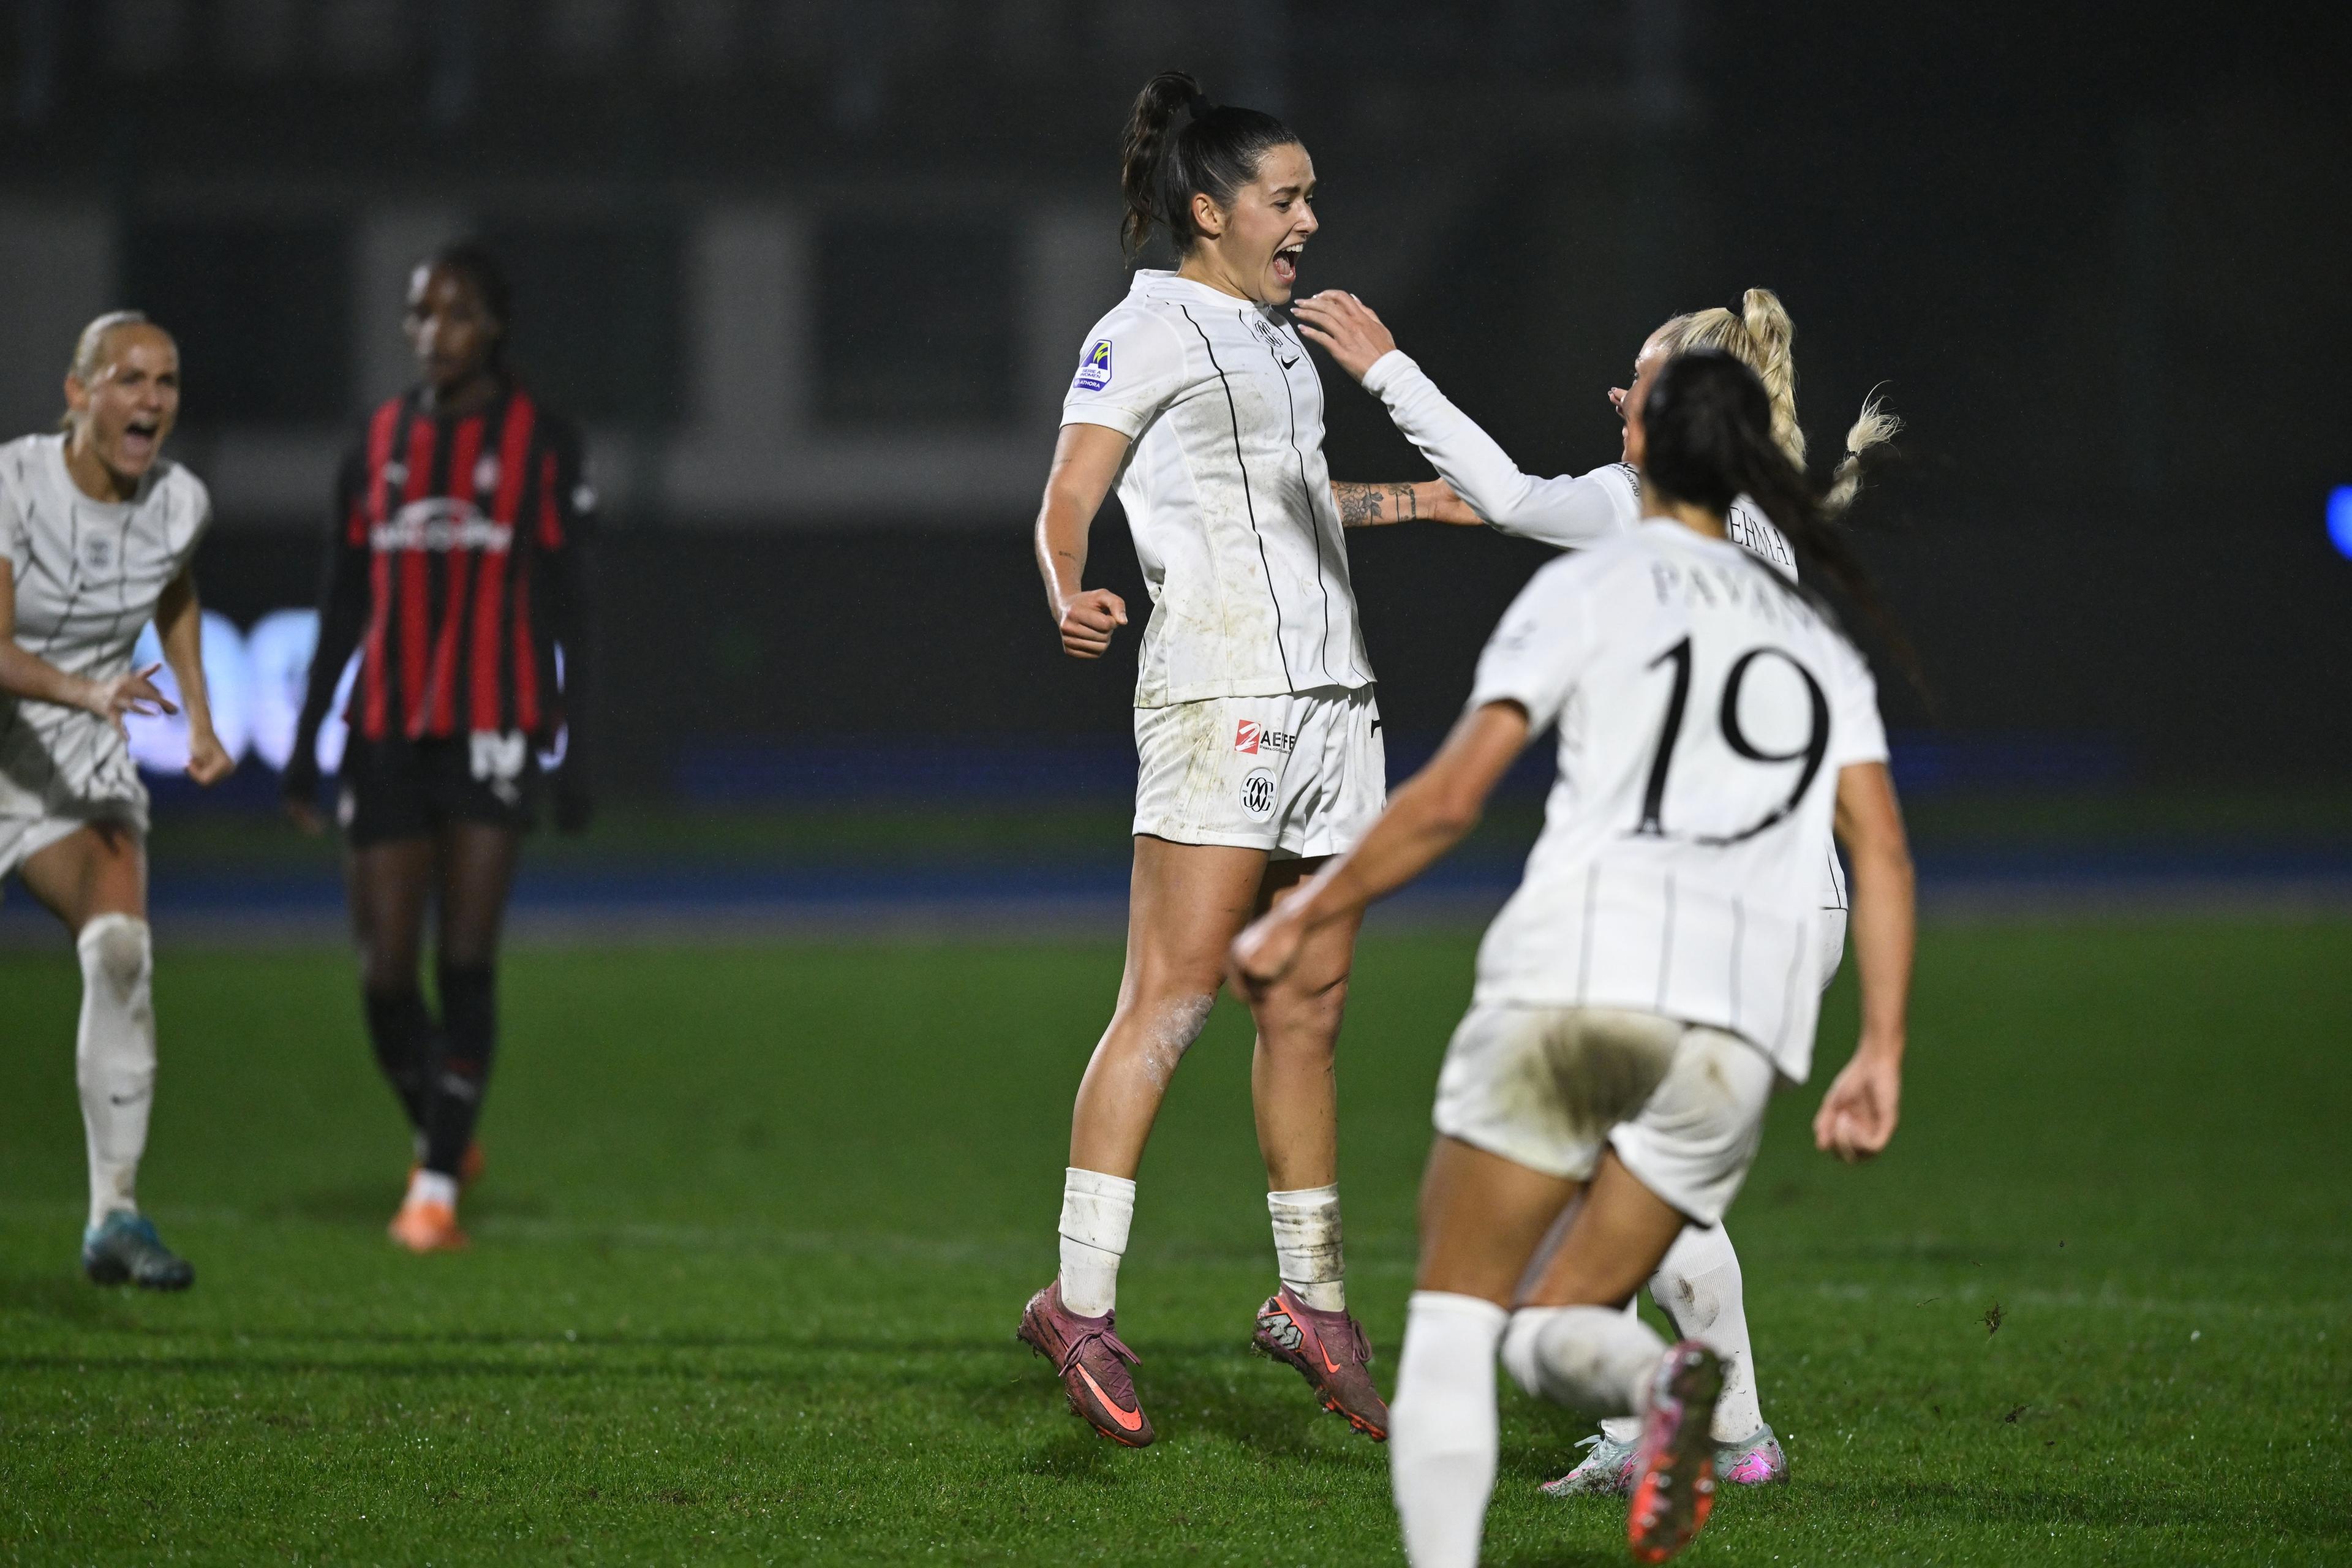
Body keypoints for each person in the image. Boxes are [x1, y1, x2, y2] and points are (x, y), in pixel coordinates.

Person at [1231, 349, 1917, 1564]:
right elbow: (1888, 852)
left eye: (1634, 393)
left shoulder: (1597, 585)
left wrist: (1308, 908)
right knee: (1635, 1220)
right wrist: (1881, 1047)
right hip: (1760, 979)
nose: (1613, 402)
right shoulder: (1803, 615)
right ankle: (1723, 1422)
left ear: (1655, 441)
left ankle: (1655, 1393)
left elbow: (1447, 800)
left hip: (1608, 965)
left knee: (1475, 1308)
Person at [1015, 69, 1477, 1449]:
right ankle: (1079, 1299)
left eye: (1313, 197)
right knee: (1173, 995)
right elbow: (1068, 496)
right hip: (1221, 693)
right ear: (1208, 208)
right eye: (1288, 198)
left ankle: (1312, 1301)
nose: (1309, 221)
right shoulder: (1142, 326)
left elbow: (1292, 505)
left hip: (1339, 698)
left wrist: (1424, 499)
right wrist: (1066, 592)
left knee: (1311, 1004)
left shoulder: (1282, 339)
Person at [282, 241, 595, 1254]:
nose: (432, 334)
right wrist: (302, 744)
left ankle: (432, 1192)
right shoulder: (373, 443)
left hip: (493, 726)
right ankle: (445, 1122)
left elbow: (566, 602)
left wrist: (573, 740)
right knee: (382, 978)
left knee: (464, 959)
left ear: (492, 326)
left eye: (453, 314)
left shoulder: (541, 441)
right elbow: (341, 602)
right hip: (384, 726)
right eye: (419, 315)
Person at [0, 311, 233, 1290]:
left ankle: (115, 1217)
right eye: (128, 378)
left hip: (72, 747)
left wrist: (201, 719)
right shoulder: (14, 484)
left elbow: (170, 586)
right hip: (35, 711)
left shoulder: (179, 501)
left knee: (121, 948)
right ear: (78, 393)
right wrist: (94, 689)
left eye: (167, 381)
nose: (151, 399)